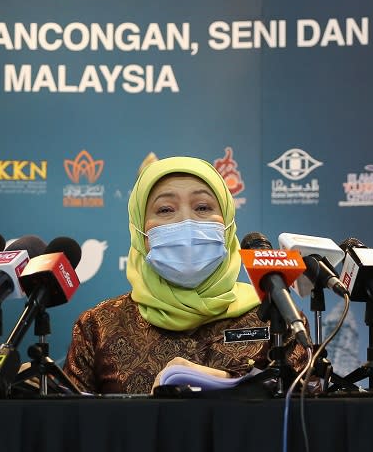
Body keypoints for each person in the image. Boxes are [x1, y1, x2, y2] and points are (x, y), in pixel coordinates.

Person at [63, 156, 311, 394]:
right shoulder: (98, 327)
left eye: (202, 207)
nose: (186, 222)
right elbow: (71, 425)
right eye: (165, 209)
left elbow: (310, 414)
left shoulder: (275, 317)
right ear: (139, 230)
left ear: (228, 224)